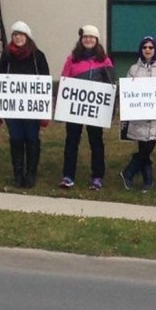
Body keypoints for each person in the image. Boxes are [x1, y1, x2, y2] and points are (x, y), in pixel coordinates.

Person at [0, 21, 50, 188]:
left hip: (32, 109)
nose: (18, 38)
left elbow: (45, 82)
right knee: (16, 139)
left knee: (32, 139)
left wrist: (44, 112)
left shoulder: (38, 56)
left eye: (21, 34)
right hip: (12, 108)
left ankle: (31, 174)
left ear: (27, 37)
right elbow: (0, 81)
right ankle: (18, 174)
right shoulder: (6, 56)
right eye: (15, 35)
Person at [58, 25, 115, 191]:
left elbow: (111, 85)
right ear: (81, 40)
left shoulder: (104, 60)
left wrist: (109, 111)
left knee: (96, 142)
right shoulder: (72, 59)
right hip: (74, 108)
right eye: (85, 37)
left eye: (91, 37)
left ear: (96, 40)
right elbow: (64, 81)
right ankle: (68, 175)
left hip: (95, 110)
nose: (88, 40)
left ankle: (97, 177)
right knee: (71, 141)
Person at [120, 36, 156, 192]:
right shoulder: (133, 70)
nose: (147, 50)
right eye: (145, 47)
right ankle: (147, 180)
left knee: (148, 147)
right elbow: (127, 91)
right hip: (139, 117)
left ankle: (129, 171)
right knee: (144, 145)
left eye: (150, 47)